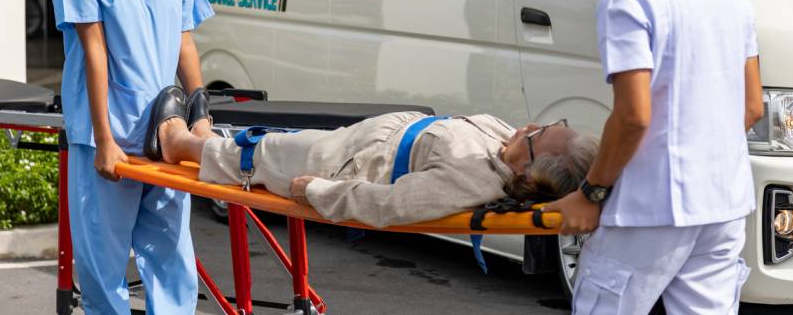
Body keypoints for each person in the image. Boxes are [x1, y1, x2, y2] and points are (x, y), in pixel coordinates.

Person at [544, 0, 764, 315]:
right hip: (723, 202)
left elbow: (634, 115)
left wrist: (592, 193)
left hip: (650, 207)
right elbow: (751, 108)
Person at [49, 0, 214, 315]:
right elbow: (95, 55)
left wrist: (200, 111)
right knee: (102, 264)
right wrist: (102, 139)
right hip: (111, 137)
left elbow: (185, 44)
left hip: (166, 135)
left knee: (172, 257)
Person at [145, 103, 598, 228]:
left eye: (541, 134)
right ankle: (200, 138)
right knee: (275, 140)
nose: (533, 125)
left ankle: (177, 143)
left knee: (265, 156)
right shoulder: (505, 138)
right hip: (368, 139)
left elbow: (390, 206)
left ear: (529, 172)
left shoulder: (472, 180)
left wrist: (318, 192)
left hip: (351, 167)